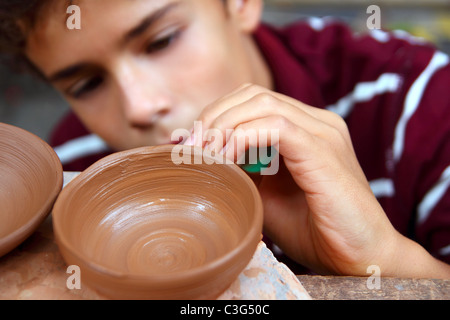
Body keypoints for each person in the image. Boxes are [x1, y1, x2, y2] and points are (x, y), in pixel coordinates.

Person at [1, 0, 449, 278]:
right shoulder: (73, 172)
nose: (139, 106)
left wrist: (385, 260)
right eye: (85, 86)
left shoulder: (413, 98)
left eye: (161, 41)